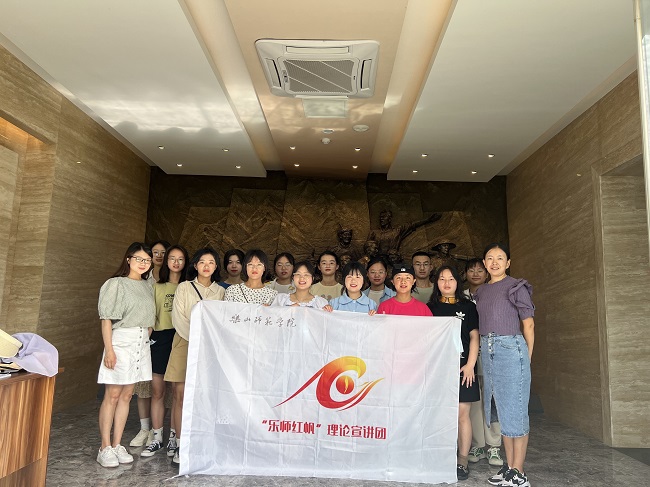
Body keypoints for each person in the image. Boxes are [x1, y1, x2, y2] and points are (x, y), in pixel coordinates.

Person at [475, 243, 534, 487]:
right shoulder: (481, 291)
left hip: (511, 349)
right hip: (488, 351)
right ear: (484, 263)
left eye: (500, 258)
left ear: (508, 263)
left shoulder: (516, 286)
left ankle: (519, 472)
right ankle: (509, 468)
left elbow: (528, 325)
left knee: (516, 411)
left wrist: (526, 358)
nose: (495, 262)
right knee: (503, 410)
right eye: (490, 258)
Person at [96, 242, 155, 468]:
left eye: (147, 260)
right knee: (112, 394)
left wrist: (146, 334)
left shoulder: (148, 285)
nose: (143, 263)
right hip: (120, 342)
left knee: (127, 395)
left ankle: (117, 444)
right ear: (128, 259)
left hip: (141, 343)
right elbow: (106, 319)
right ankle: (104, 447)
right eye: (139, 259)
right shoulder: (116, 284)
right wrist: (109, 350)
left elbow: (149, 317)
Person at [164, 247, 225, 465]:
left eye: (211, 262)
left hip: (209, 350)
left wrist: (206, 342)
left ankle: (198, 442)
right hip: (184, 344)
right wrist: (198, 338)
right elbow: (178, 318)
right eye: (202, 262)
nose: (206, 266)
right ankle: (180, 443)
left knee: (202, 396)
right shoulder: (184, 287)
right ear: (196, 265)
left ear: (216, 267)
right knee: (180, 395)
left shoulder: (221, 292)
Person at [427, 266, 479, 481]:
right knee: (438, 413)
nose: (446, 283)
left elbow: (474, 336)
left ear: (458, 282)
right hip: (438, 369)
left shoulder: (468, 307)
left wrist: (470, 365)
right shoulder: (430, 308)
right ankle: (441, 455)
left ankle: (462, 459)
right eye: (442, 279)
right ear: (436, 283)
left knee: (461, 415)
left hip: (463, 368)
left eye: (451, 279)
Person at [140, 245, 188, 458]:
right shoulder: (156, 287)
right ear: (166, 261)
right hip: (159, 339)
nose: (176, 262)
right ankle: (156, 437)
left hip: (181, 338)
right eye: (172, 258)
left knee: (178, 393)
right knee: (158, 391)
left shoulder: (188, 287)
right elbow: (151, 318)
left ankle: (174, 438)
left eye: (180, 259)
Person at [464, 258, 503, 467]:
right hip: (469, 354)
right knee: (474, 401)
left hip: (491, 351)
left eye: (480, 270)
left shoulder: (493, 293)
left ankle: (494, 445)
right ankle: (477, 444)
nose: (476, 273)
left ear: (486, 272)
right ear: (465, 274)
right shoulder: (460, 296)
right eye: (471, 270)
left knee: (493, 398)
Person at [131, 239, 170, 448]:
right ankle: (144, 429)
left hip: (164, 336)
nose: (159, 256)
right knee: (143, 386)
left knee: (161, 388)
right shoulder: (142, 278)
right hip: (143, 335)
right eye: (155, 252)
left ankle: (158, 429)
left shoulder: (171, 278)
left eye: (163, 252)